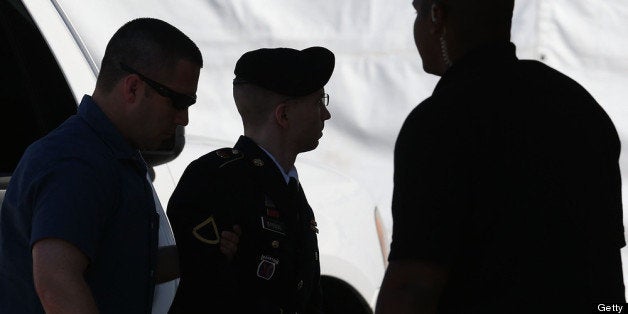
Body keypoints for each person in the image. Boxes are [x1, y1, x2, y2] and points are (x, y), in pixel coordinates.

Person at [375, 1, 625, 313]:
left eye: (417, 11)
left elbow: (412, 285)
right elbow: (607, 266)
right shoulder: (579, 106)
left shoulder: (441, 122)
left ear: (436, 16)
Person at [0, 17, 206, 313]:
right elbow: (57, 281)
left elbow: (120, 270)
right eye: (178, 101)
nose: (182, 118)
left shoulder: (111, 156)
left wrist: (203, 252)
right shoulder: (77, 159)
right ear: (133, 88)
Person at [167, 46, 334, 314]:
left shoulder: (288, 185)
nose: (326, 114)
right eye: (318, 102)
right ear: (284, 115)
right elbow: (199, 290)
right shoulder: (217, 179)